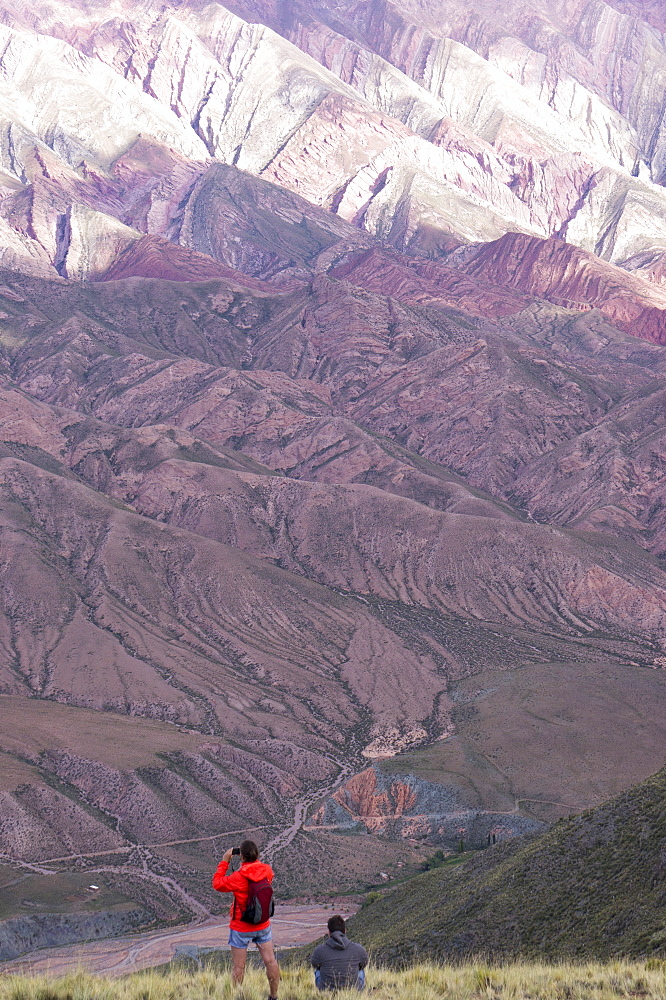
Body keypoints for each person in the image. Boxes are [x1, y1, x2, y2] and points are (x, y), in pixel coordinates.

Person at [212, 839, 279, 1000]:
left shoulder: (238, 877)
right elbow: (263, 875)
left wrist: (224, 861)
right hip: (263, 924)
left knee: (239, 967)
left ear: (241, 857)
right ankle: (274, 996)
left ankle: (238, 996)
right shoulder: (267, 870)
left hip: (241, 927)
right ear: (257, 854)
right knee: (270, 961)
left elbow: (217, 884)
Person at [310, 914, 368, 991]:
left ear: (329, 933)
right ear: (345, 931)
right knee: (360, 971)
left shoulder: (320, 950)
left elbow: (315, 964)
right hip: (352, 993)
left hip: (327, 993)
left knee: (318, 972)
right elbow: (364, 963)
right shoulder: (358, 949)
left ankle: (323, 991)